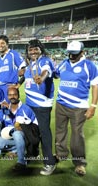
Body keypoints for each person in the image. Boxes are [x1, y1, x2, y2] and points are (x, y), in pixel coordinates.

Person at [54, 41, 98, 176]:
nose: (71, 56)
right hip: (61, 104)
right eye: (69, 53)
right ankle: (61, 154)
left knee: (77, 136)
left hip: (78, 107)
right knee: (60, 132)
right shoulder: (64, 63)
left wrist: (93, 106)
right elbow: (56, 74)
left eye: (75, 54)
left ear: (82, 52)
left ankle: (79, 163)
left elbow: (95, 85)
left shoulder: (89, 66)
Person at [23, 39, 56, 175]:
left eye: (36, 49)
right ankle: (33, 153)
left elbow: (46, 71)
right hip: (30, 104)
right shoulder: (30, 64)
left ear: (41, 49)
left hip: (42, 105)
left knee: (44, 133)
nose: (33, 51)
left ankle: (49, 163)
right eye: (31, 49)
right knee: (31, 130)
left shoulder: (45, 61)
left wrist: (41, 78)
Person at [0, 87, 39, 172]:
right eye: (10, 95)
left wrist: (24, 128)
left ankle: (22, 162)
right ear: (7, 96)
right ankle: (18, 149)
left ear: (18, 95)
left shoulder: (26, 109)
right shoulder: (5, 109)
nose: (12, 97)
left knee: (17, 133)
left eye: (14, 94)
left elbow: (35, 124)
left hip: (23, 135)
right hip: (10, 135)